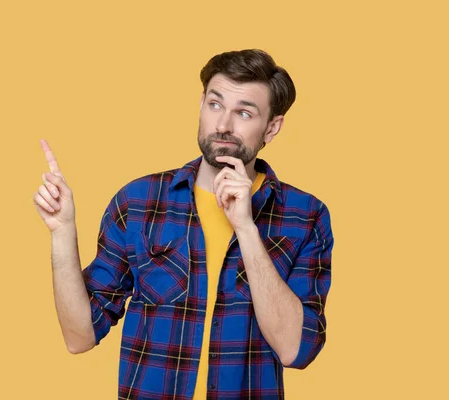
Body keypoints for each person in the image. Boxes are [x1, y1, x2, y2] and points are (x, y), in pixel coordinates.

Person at [33, 49, 334, 399]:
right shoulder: (139, 202)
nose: (223, 125)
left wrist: (246, 229)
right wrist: (62, 233)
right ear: (201, 104)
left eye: (244, 113)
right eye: (215, 104)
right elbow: (79, 336)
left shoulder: (305, 216)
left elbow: (296, 349)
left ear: (272, 126)